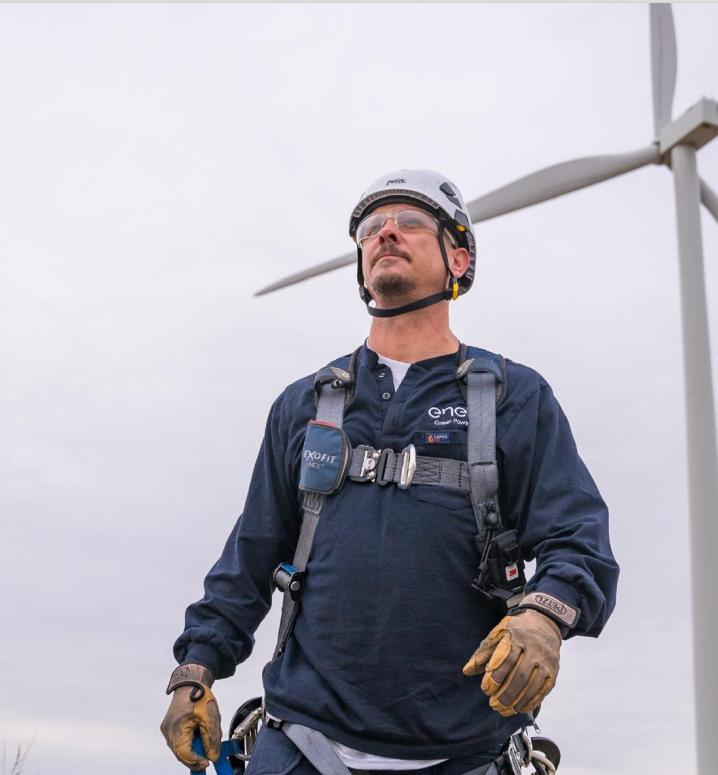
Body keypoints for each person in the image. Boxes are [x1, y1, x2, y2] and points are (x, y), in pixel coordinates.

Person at [160, 169, 619, 775]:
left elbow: (578, 542)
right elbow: (249, 555)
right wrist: (195, 669)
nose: (386, 234)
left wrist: (545, 615)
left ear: (459, 257)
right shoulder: (305, 404)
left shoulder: (512, 397)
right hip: (302, 743)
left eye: (410, 223)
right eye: (372, 228)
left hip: (464, 751)